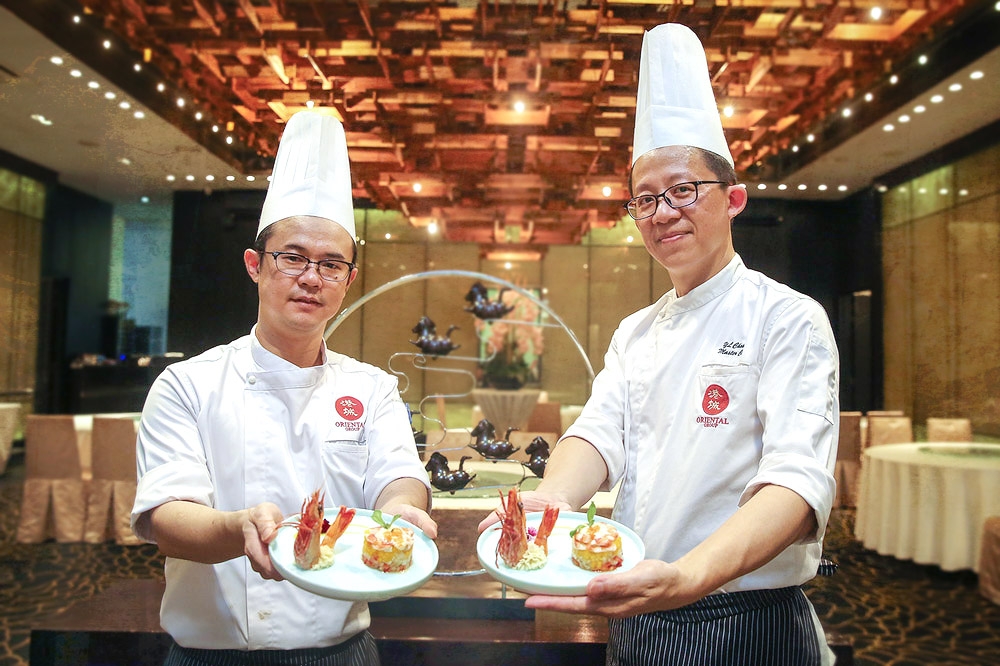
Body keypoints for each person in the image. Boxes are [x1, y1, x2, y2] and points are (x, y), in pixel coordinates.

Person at [480, 24, 839, 666]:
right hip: (638, 606)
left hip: (745, 617)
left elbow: (796, 483)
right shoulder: (635, 330)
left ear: (733, 200)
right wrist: (553, 501)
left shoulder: (787, 317)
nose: (662, 212)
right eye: (644, 199)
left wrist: (690, 578)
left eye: (682, 190)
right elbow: (597, 434)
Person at [131, 110, 436, 666]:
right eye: (292, 257)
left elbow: (398, 479)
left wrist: (405, 511)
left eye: (331, 263)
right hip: (209, 654)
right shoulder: (187, 385)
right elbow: (167, 519)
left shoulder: (372, 389)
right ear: (255, 264)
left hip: (340, 650)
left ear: (349, 278)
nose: (311, 277)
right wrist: (237, 526)